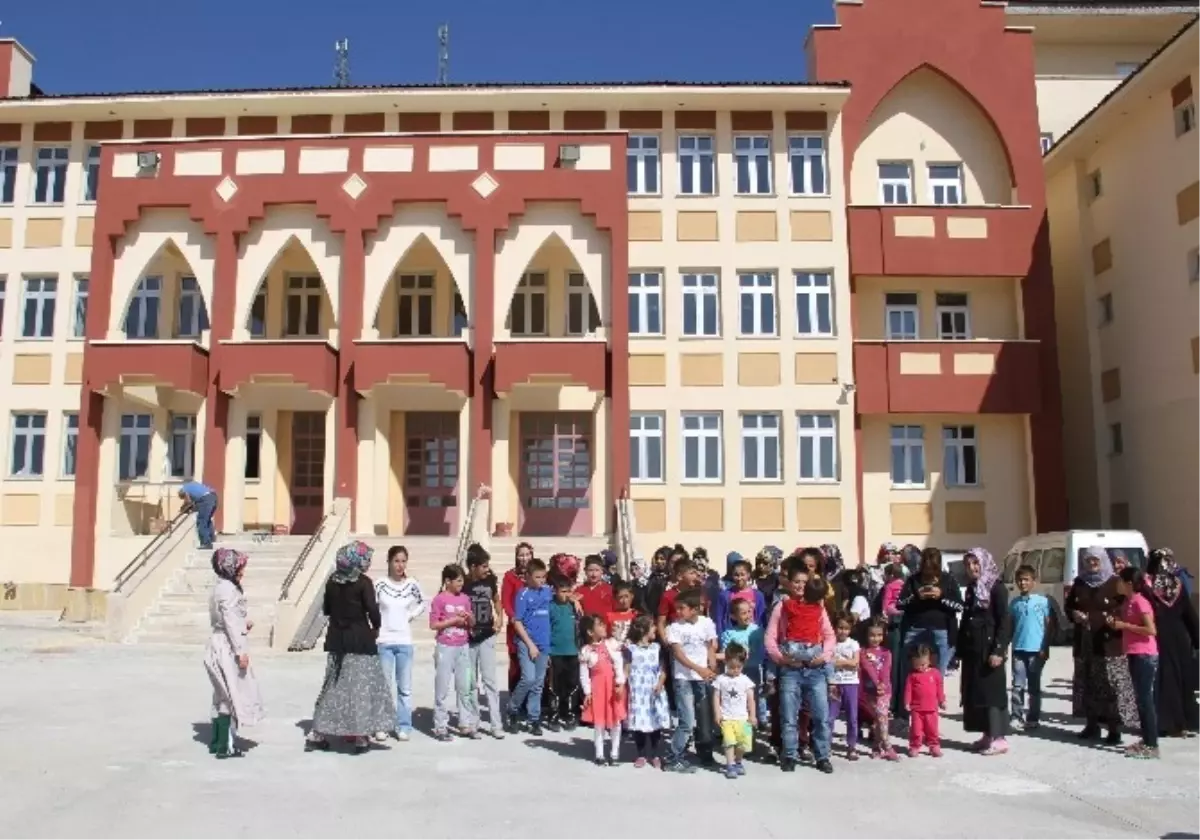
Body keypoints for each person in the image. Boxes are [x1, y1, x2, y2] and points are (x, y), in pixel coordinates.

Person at [306, 541, 395, 754]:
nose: (368, 563)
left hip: (337, 640)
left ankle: (318, 732)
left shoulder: (332, 581)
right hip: (360, 640)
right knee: (361, 688)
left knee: (333, 687)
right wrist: (377, 628)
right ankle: (361, 736)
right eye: (366, 559)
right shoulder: (363, 582)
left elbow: (327, 609)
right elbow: (373, 611)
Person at [1065, 546, 1139, 744]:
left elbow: (1125, 607)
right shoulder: (1080, 582)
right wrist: (1074, 614)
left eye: (1096, 560)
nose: (1092, 564)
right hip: (1085, 642)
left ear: (1103, 560)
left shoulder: (1115, 582)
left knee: (1110, 687)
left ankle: (1114, 730)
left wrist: (1108, 618)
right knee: (1087, 684)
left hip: (1108, 643)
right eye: (1088, 560)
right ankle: (1092, 725)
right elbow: (1069, 605)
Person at [766, 567, 836, 774]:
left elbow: (830, 636)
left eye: (804, 582)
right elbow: (770, 637)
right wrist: (781, 658)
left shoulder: (818, 608)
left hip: (815, 670)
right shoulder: (782, 606)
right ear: (789, 583)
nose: (800, 585)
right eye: (796, 581)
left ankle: (822, 755)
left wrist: (822, 657)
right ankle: (789, 755)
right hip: (790, 669)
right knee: (788, 715)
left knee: (821, 716)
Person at [203, 548, 263, 759]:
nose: (242, 572)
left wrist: (242, 624)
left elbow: (228, 618)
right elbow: (229, 619)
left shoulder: (220, 587)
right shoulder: (228, 590)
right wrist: (240, 652)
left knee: (222, 696)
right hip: (227, 646)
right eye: (240, 567)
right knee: (231, 695)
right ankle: (226, 744)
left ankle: (218, 741)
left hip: (219, 642)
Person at [958, 547, 1011, 755]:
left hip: (990, 649)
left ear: (984, 562)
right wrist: (960, 648)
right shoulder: (972, 589)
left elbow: (1004, 621)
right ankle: (987, 734)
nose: (972, 568)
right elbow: (966, 619)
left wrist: (999, 649)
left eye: (975, 563)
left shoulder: (997, 588)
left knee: (992, 693)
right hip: (974, 650)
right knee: (976, 692)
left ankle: (999, 738)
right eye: (968, 564)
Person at [1144, 548, 1200, 737]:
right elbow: (1189, 614)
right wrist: (1197, 639)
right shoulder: (1177, 584)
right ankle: (1185, 721)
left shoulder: (1147, 585)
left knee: (1165, 680)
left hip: (1158, 637)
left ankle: (1167, 723)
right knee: (1181, 679)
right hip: (1180, 637)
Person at [374, 545, 427, 742]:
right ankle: (381, 725)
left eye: (403, 561)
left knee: (404, 688)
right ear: (388, 562)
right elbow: (371, 606)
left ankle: (404, 725)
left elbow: (422, 603)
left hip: (404, 641)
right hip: (384, 641)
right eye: (396, 560)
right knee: (384, 686)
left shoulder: (412, 584)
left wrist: (410, 615)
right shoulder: (379, 584)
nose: (400, 565)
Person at [664, 589, 718, 773]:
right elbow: (678, 654)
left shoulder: (706, 622)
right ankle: (673, 757)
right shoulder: (674, 627)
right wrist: (699, 669)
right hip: (684, 679)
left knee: (704, 719)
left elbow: (711, 644)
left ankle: (704, 753)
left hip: (702, 678)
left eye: (682, 608)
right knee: (686, 721)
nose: (678, 612)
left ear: (695, 609)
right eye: (676, 608)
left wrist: (711, 663)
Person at [1109, 567, 1160, 758]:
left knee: (1146, 700)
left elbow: (1151, 630)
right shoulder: (1128, 602)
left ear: (1129, 583)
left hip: (1145, 655)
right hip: (1133, 653)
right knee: (1140, 699)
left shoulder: (1140, 602)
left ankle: (1152, 745)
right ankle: (1146, 739)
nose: (1117, 584)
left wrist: (1124, 625)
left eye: (1120, 581)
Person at [506, 558, 552, 735]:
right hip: (527, 643)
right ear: (528, 577)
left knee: (539, 682)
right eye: (538, 577)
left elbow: (564, 595)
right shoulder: (523, 595)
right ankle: (513, 709)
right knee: (528, 678)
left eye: (543, 577)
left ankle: (534, 718)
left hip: (544, 643)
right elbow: (517, 622)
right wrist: (530, 644)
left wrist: (574, 600)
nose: (541, 580)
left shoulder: (547, 591)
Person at [463, 543, 504, 738]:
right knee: (471, 682)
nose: (487, 569)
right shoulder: (462, 583)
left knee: (490, 681)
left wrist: (500, 618)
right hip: (469, 639)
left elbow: (496, 600)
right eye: (484, 566)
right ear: (473, 567)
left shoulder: (491, 581)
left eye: (488, 565)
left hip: (487, 634)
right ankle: (473, 723)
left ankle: (496, 724)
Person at [429, 564, 474, 741]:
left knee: (464, 686)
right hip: (445, 647)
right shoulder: (439, 599)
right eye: (458, 580)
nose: (461, 584)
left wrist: (469, 619)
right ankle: (440, 725)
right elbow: (433, 624)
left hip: (463, 646)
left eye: (462, 580)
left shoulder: (465, 599)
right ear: (447, 581)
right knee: (442, 687)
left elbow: (471, 622)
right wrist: (453, 621)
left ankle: (465, 723)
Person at [579, 614, 627, 765]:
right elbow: (584, 674)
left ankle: (614, 753)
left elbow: (618, 663)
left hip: (613, 689)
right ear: (590, 632)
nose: (603, 627)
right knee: (599, 723)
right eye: (599, 625)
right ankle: (599, 754)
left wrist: (620, 682)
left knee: (616, 721)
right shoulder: (586, 651)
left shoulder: (611, 645)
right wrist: (587, 692)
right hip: (598, 689)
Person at [1009, 563, 1052, 731]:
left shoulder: (1043, 602)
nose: (1023, 583)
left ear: (1034, 581)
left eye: (1026, 580)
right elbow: (1010, 625)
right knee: (1017, 685)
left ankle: (1033, 717)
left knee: (1034, 687)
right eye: (1020, 580)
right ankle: (1016, 715)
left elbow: (1049, 625)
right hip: (1019, 649)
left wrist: (1045, 647)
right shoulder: (1014, 603)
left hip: (1036, 650)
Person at [626, 615, 671, 768]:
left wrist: (660, 683)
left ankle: (655, 753)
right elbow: (626, 670)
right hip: (638, 692)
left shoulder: (657, 648)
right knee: (639, 722)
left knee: (655, 722)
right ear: (643, 630)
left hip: (653, 691)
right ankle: (641, 754)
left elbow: (663, 669)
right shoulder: (630, 649)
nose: (655, 630)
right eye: (652, 626)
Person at [713, 642, 757, 779]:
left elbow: (751, 700)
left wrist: (753, 716)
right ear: (725, 662)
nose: (735, 670)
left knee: (743, 744)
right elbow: (716, 697)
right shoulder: (720, 679)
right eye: (732, 667)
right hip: (727, 718)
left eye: (739, 667)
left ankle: (738, 761)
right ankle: (730, 765)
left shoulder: (745, 680)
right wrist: (717, 713)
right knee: (729, 742)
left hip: (743, 719)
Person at [719, 599, 767, 727]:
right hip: (735, 672)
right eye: (743, 613)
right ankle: (734, 726)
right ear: (733, 616)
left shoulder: (758, 630)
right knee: (736, 700)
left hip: (753, 670)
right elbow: (725, 653)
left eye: (749, 612)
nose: (748, 615)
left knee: (753, 699)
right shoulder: (729, 633)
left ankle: (753, 726)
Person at [859, 618, 898, 760]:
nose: (876, 638)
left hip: (885, 691)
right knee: (877, 718)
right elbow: (868, 669)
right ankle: (876, 745)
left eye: (879, 635)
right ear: (866, 635)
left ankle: (887, 746)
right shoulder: (863, 652)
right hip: (869, 691)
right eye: (872, 635)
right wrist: (876, 684)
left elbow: (886, 671)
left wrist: (882, 685)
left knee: (882, 717)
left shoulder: (886, 652)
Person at [546, 575, 581, 731]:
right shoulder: (550, 606)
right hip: (555, 652)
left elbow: (581, 625)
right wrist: (546, 651)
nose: (565, 595)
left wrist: (577, 603)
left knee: (571, 684)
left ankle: (568, 714)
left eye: (568, 591)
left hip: (572, 652)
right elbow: (546, 630)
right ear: (555, 591)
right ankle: (553, 715)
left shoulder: (573, 606)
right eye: (562, 591)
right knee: (555, 685)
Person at [828, 612, 862, 760]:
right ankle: (826, 744)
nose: (843, 631)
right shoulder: (830, 643)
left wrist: (838, 662)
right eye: (840, 627)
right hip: (834, 683)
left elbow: (855, 663)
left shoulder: (854, 644)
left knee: (852, 716)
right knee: (830, 717)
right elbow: (828, 661)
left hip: (850, 683)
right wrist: (845, 662)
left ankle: (852, 746)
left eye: (846, 628)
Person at [501, 542, 534, 693]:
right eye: (521, 555)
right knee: (516, 663)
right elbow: (506, 600)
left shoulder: (538, 575)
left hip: (534, 626)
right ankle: (515, 699)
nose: (524, 558)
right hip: (516, 626)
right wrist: (513, 617)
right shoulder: (510, 576)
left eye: (527, 554)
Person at [903, 645, 945, 758]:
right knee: (916, 730)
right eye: (917, 665)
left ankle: (934, 746)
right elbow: (908, 690)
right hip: (917, 709)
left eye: (923, 664)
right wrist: (907, 702)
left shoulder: (935, 673)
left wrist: (942, 700)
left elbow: (940, 688)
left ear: (929, 660)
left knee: (932, 730)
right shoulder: (912, 675)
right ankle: (915, 746)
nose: (920, 667)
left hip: (932, 708)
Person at [713, 558, 767, 633]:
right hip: (732, 637)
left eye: (742, 574)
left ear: (748, 575)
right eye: (736, 575)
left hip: (753, 636)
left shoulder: (758, 595)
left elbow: (762, 620)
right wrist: (721, 639)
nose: (739, 578)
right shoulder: (724, 596)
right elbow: (719, 619)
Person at [178, 480, 219, 550]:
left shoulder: (184, 490)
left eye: (183, 498)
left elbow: (188, 501)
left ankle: (206, 543)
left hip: (206, 499)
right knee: (207, 520)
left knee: (201, 521)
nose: (184, 499)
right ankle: (212, 539)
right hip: (214, 496)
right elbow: (197, 503)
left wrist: (184, 509)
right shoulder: (191, 485)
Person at [605, 581, 638, 645]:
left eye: (626, 596)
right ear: (615, 598)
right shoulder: (610, 616)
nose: (624, 601)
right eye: (620, 597)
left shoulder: (636, 614)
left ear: (632, 596)